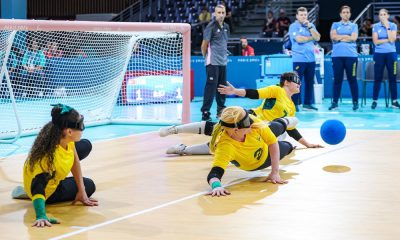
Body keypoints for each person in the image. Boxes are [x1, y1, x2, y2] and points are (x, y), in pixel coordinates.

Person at [159, 72, 323, 155]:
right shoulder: (277, 90)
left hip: (260, 130)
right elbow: (255, 93)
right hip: (250, 118)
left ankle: (183, 149)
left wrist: (307, 144)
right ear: (287, 82)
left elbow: (289, 128)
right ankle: (175, 129)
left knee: (224, 145)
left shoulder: (292, 106)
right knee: (216, 128)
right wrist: (235, 91)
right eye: (297, 82)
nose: (299, 84)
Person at [11, 104, 98, 227]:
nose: (83, 129)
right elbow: (38, 185)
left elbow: (75, 160)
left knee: (85, 145)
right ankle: (31, 195)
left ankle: (31, 189)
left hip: (39, 175)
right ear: (69, 131)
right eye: (81, 126)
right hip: (46, 190)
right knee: (90, 185)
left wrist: (81, 190)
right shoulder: (49, 159)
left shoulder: (64, 137)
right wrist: (41, 215)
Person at [206, 106, 294, 196]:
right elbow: (215, 173)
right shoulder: (225, 147)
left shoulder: (250, 121)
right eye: (248, 124)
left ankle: (285, 122)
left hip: (260, 142)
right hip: (259, 162)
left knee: (277, 126)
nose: (251, 123)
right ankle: (283, 134)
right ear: (236, 130)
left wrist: (275, 172)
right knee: (288, 146)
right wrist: (216, 186)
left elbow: (272, 142)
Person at [200, 4, 230, 121]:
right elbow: (204, 45)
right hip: (212, 62)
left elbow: (223, 43)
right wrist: (205, 57)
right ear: (214, 14)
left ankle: (221, 110)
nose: (221, 15)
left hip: (223, 62)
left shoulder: (227, 26)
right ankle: (205, 111)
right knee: (211, 87)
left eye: (223, 12)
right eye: (219, 13)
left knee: (222, 87)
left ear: (225, 13)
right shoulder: (210, 26)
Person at [289, 7, 321, 111]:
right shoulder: (293, 26)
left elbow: (318, 38)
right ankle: (295, 104)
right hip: (299, 59)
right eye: (301, 15)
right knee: (296, 83)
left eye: (305, 15)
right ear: (297, 16)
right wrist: (311, 38)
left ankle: (307, 103)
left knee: (309, 82)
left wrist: (310, 28)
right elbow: (299, 39)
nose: (303, 17)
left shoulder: (311, 25)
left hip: (311, 59)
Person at [329, 6, 359, 111]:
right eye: (344, 12)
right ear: (340, 14)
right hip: (337, 57)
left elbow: (354, 38)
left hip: (351, 57)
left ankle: (355, 102)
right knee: (337, 80)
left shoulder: (354, 25)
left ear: (350, 14)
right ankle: (335, 102)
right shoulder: (335, 25)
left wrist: (340, 37)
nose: (346, 14)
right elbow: (333, 37)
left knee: (352, 80)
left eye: (347, 12)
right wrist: (347, 37)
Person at [371, 9, 399, 109]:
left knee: (393, 78)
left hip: (391, 54)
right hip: (378, 55)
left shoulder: (393, 26)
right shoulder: (375, 26)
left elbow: (393, 39)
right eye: (380, 14)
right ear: (379, 16)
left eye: (384, 14)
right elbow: (375, 42)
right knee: (377, 78)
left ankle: (394, 101)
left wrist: (387, 27)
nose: (382, 16)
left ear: (388, 16)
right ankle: (375, 100)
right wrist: (388, 39)